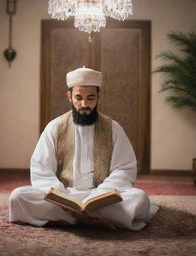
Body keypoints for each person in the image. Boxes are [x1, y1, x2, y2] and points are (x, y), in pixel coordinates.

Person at [9, 67, 158, 231]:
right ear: (69, 97)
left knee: (139, 199)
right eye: (78, 97)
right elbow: (41, 168)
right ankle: (88, 219)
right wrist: (62, 198)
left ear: (98, 97)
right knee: (18, 196)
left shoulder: (113, 128)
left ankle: (68, 219)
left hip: (102, 198)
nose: (84, 104)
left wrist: (100, 195)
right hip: (64, 195)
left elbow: (124, 168)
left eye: (90, 98)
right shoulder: (55, 127)